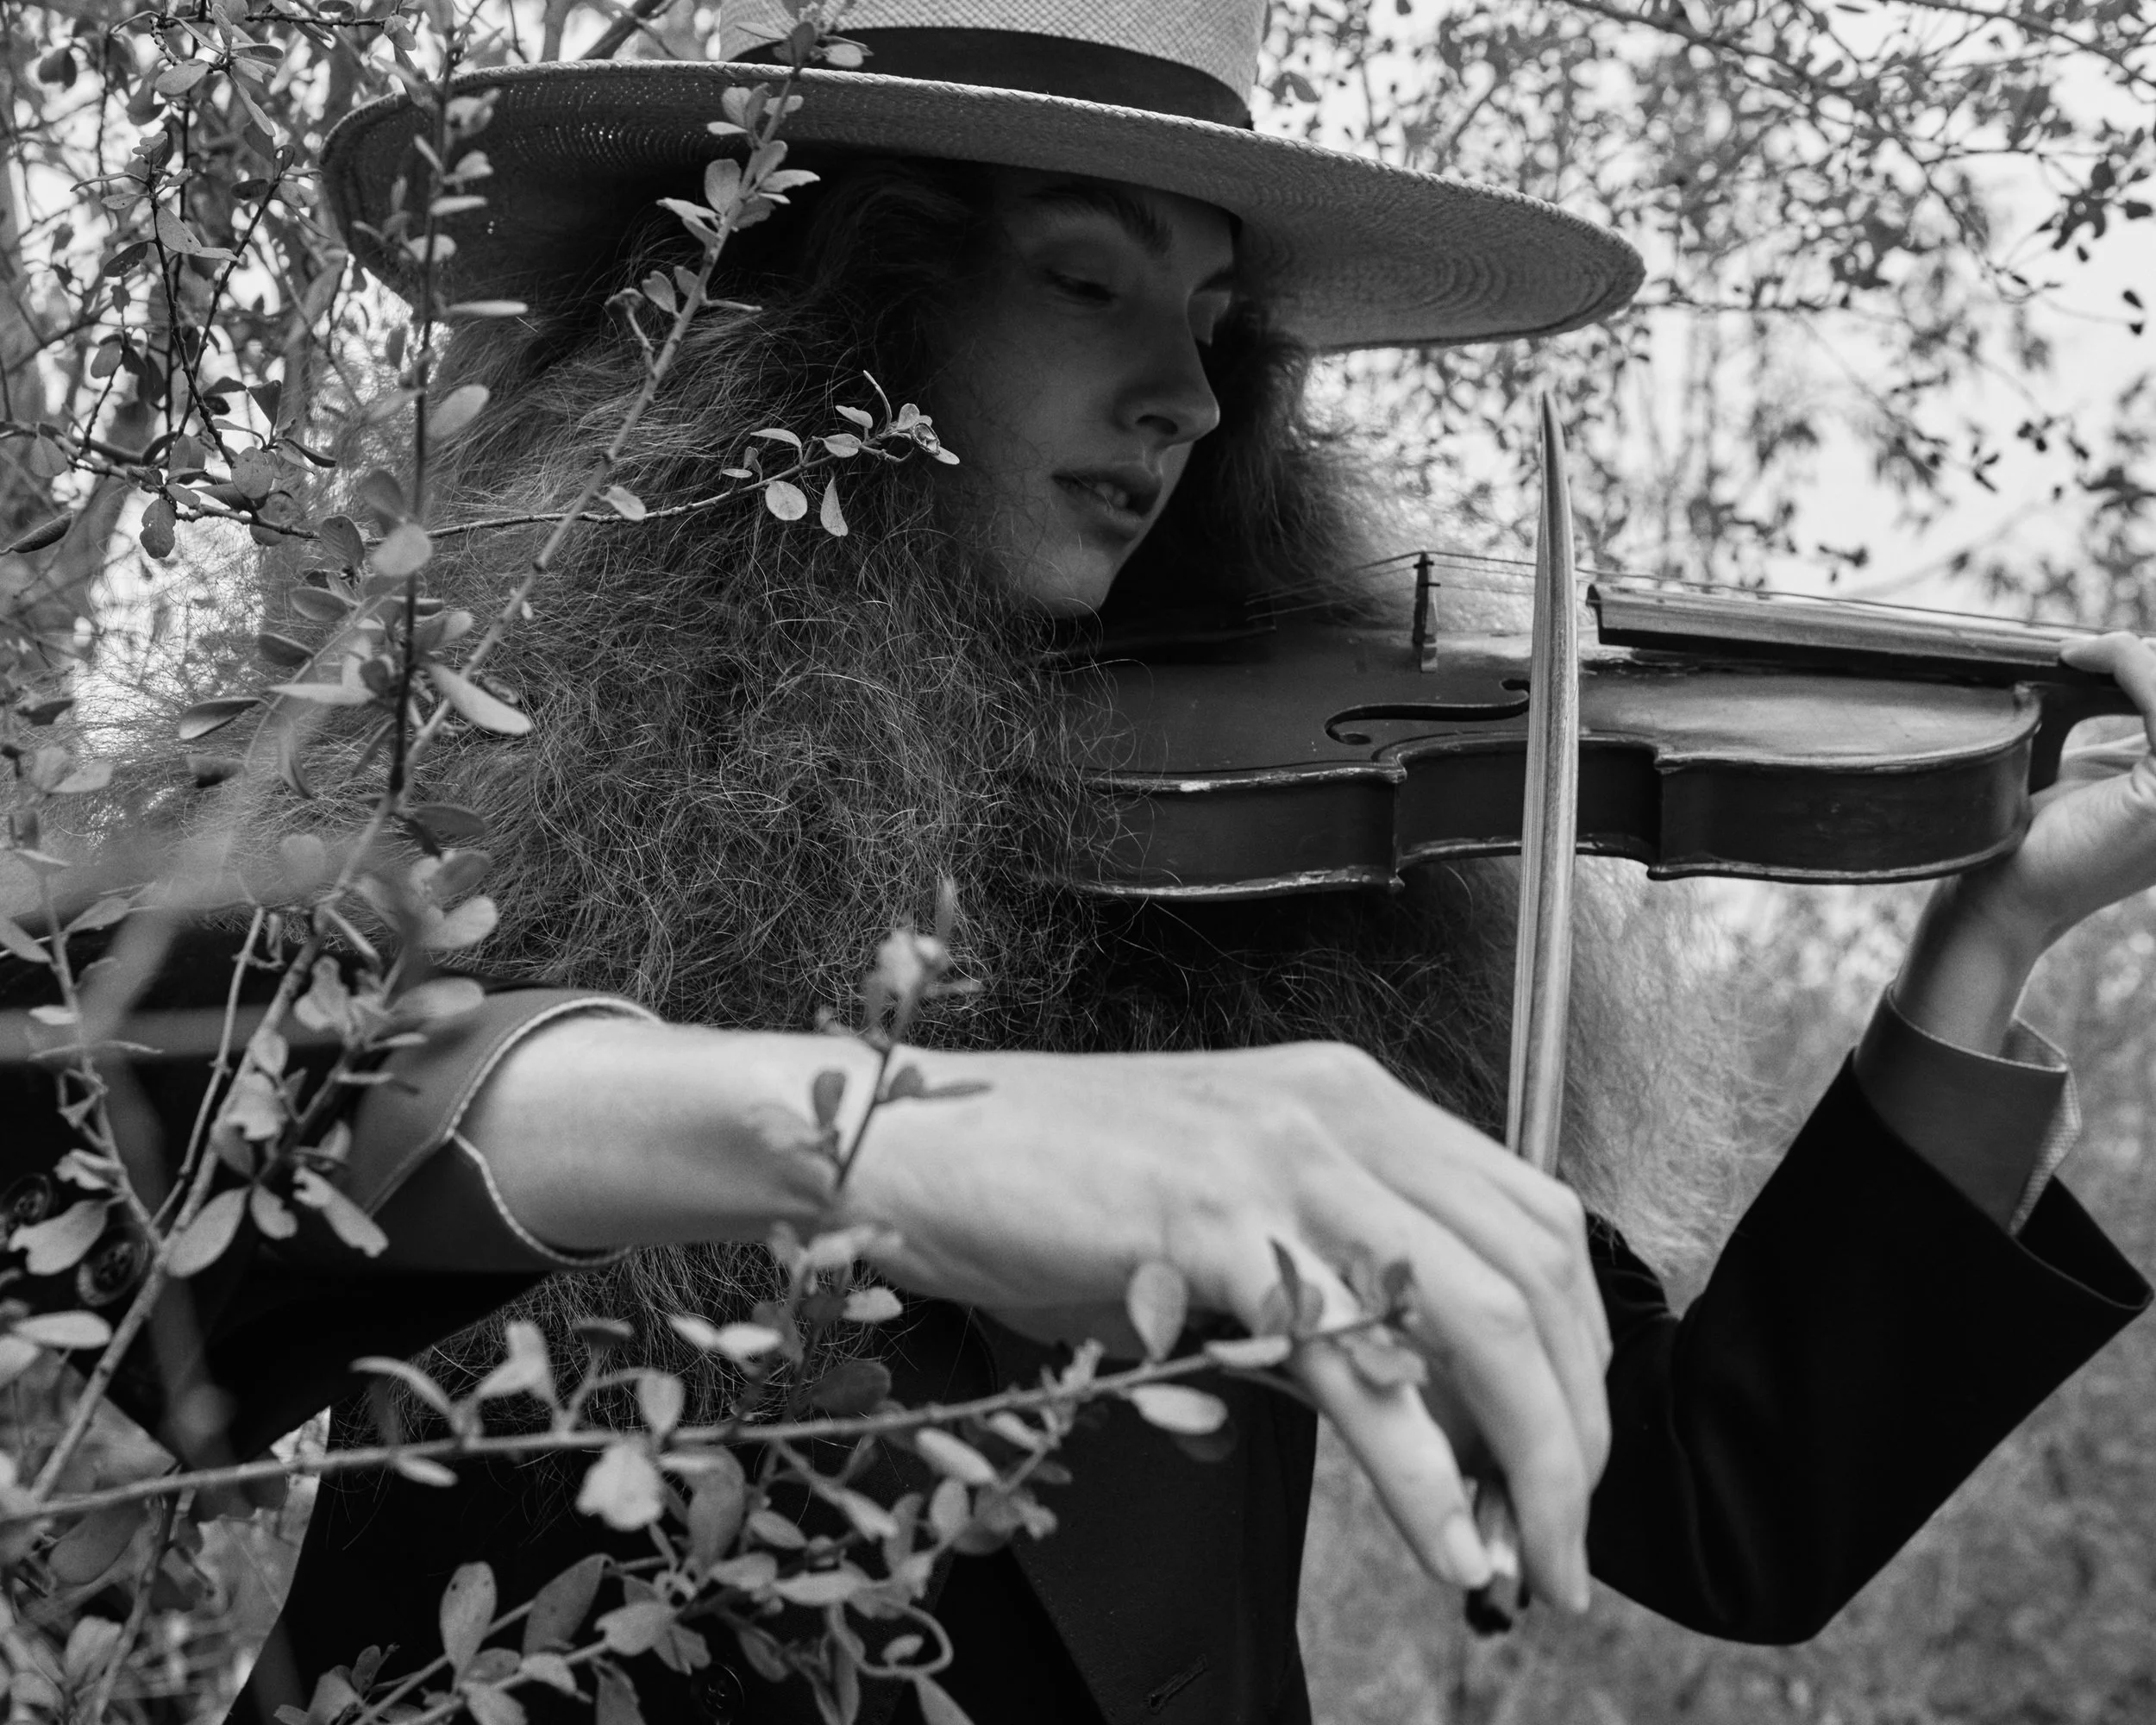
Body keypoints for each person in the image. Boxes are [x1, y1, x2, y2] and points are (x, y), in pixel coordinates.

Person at [5, 3, 2154, 1722]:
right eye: (1085, 278)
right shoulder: (475, 772)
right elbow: (98, 1101)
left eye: (1215, 320)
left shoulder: (1255, 878)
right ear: (822, 305)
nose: (1186, 399)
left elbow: (1721, 1501)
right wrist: (850, 1131)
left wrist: (1989, 945)